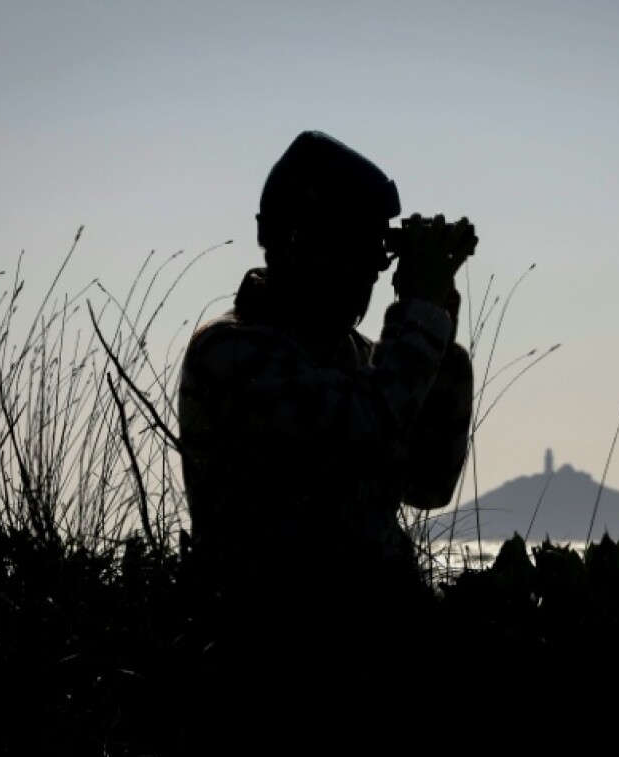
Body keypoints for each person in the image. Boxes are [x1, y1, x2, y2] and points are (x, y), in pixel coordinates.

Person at [177, 129, 476, 607]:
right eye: (351, 253)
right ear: (298, 244)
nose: (368, 275)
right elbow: (360, 434)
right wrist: (419, 322)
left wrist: (437, 339)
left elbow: (427, 483)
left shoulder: (355, 357)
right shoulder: (230, 354)